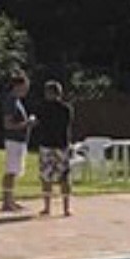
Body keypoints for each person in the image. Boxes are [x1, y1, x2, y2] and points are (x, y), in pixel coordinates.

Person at [35, 80, 74, 216]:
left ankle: (47, 207)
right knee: (64, 176)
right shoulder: (66, 109)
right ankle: (66, 208)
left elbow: (38, 123)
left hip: (47, 144)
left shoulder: (42, 108)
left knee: (46, 176)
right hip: (61, 144)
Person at [0, 72, 35, 213]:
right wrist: (27, 123)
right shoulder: (11, 101)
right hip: (13, 140)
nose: (26, 90)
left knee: (15, 171)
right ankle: (6, 202)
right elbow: (7, 124)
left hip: (20, 141)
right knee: (11, 171)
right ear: (17, 86)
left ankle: (10, 199)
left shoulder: (17, 101)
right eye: (25, 87)